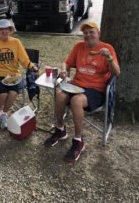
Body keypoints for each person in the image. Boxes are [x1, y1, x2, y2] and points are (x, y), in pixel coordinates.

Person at [44, 22, 120, 162]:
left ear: (98, 33)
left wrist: (109, 58)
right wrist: (64, 70)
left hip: (96, 89)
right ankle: (60, 130)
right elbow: (67, 62)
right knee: (60, 96)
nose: (88, 35)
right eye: (85, 33)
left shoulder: (107, 48)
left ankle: (78, 141)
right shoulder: (79, 47)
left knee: (76, 100)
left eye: (91, 32)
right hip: (77, 84)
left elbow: (117, 73)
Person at [0, 19, 38, 130]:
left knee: (13, 93)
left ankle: (4, 114)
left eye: (6, 29)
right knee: (3, 94)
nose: (4, 31)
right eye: (1, 29)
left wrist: (32, 66)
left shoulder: (16, 42)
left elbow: (24, 59)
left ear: (10, 30)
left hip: (14, 75)